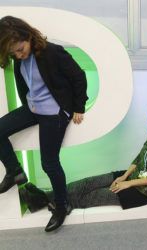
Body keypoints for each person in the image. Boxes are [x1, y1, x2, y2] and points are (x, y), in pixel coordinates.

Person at [19, 105, 147, 225]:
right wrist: (124, 176)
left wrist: (127, 183)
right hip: (131, 176)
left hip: (142, 192)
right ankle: (43, 198)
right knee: (86, 183)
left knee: (90, 196)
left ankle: (44, 199)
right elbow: (139, 158)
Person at [0, 16, 88, 232]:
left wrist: (78, 107)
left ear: (27, 35)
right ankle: (15, 172)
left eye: (20, 49)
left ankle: (62, 204)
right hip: (33, 108)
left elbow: (78, 76)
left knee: (48, 163)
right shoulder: (19, 57)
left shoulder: (52, 52)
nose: (19, 55)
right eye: (14, 53)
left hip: (55, 111)